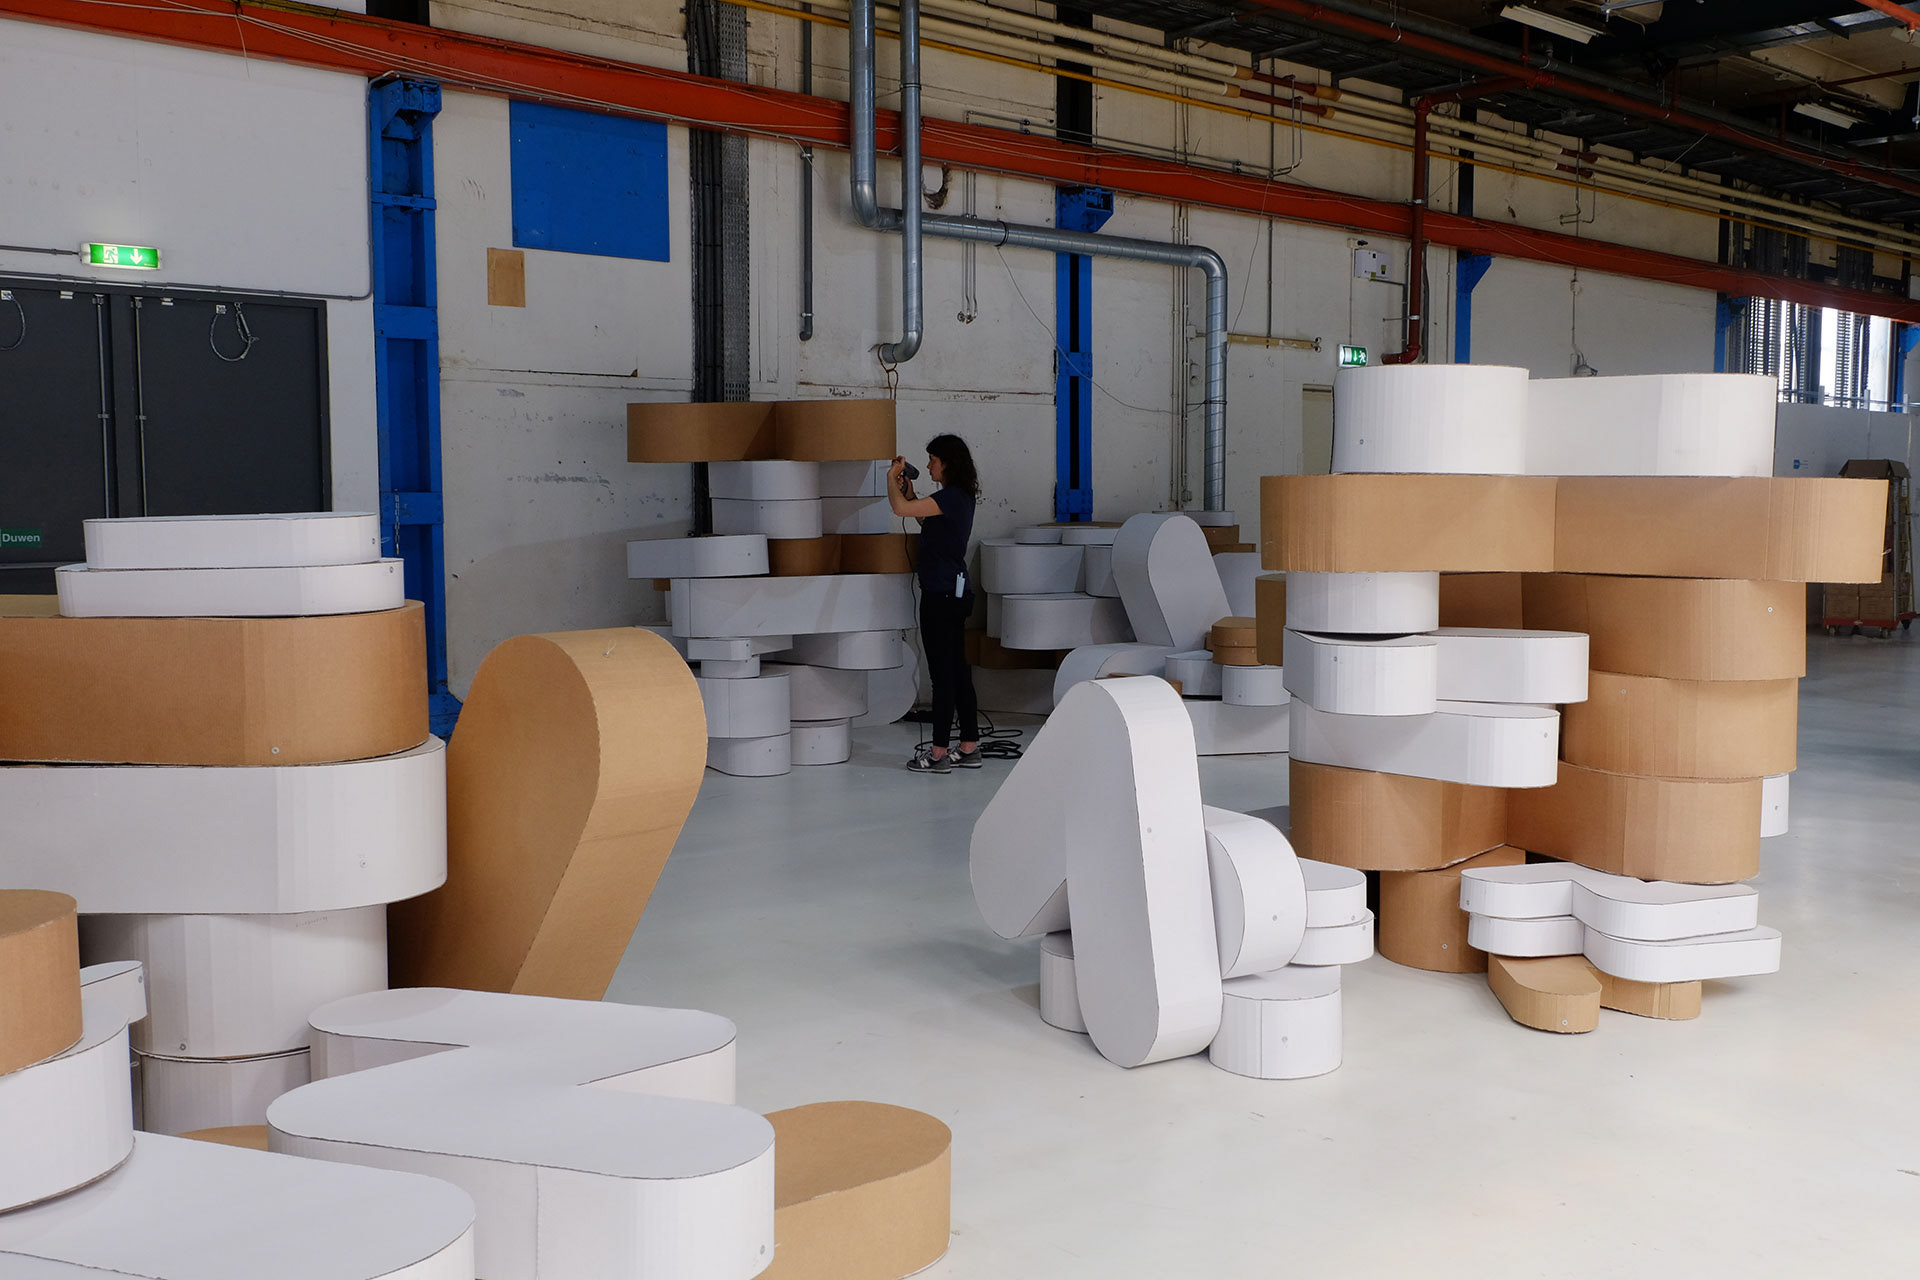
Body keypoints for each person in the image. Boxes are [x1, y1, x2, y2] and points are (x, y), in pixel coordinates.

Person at [887, 435, 981, 774]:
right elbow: (926, 519)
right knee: (958, 671)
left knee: (943, 675)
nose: (928, 466)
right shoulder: (956, 498)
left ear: (947, 463)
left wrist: (891, 479)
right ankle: (969, 745)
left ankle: (938, 753)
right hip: (952, 593)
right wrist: (912, 495)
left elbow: (900, 509)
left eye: (933, 460)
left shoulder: (951, 497)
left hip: (941, 596)